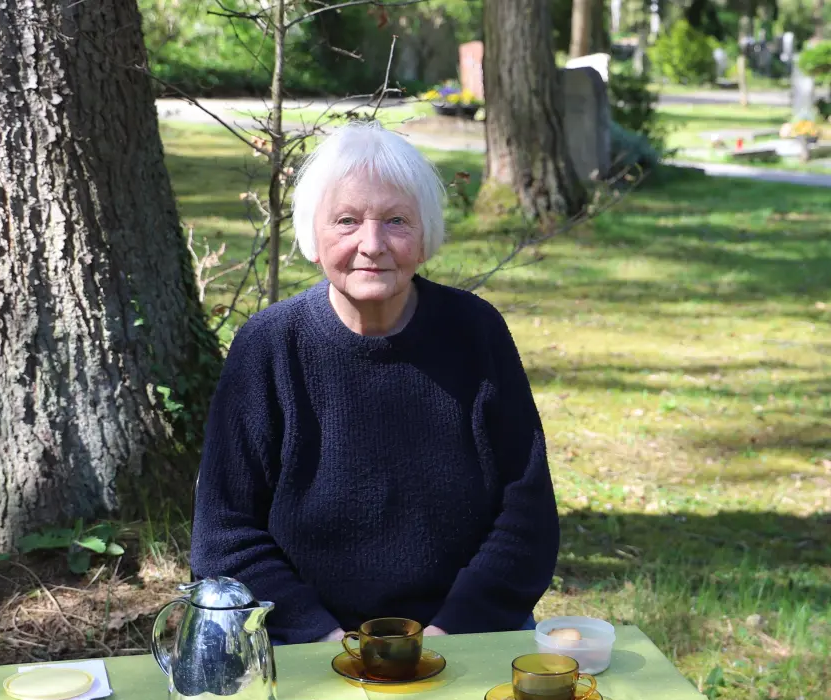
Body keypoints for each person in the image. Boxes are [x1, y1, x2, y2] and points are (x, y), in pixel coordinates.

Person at [189, 121, 559, 645]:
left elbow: (527, 516)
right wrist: (321, 639)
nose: (372, 244)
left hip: (465, 636)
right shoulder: (268, 346)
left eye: (397, 221)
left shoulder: (477, 333)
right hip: (302, 643)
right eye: (346, 221)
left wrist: (452, 633)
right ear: (312, 238)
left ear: (426, 237)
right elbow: (224, 537)